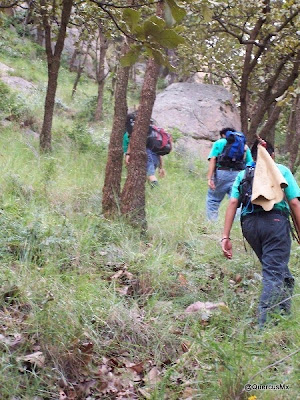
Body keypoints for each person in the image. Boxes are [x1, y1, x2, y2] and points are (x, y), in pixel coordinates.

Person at [221, 139, 300, 328]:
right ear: (272, 156)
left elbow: (233, 203)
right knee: (273, 273)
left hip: (249, 226)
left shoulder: (243, 174)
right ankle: (263, 327)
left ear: (254, 157)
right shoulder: (281, 170)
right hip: (274, 223)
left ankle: (284, 315)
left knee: (281, 273)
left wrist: (225, 236)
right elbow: (295, 203)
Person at [206, 127, 253, 221]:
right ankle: (235, 223)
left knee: (213, 199)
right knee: (236, 201)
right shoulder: (244, 146)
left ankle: (212, 223)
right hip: (239, 175)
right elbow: (250, 163)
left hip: (221, 174)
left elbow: (213, 159)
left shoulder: (219, 143)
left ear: (224, 135)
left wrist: (209, 178)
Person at [123, 113, 166, 187]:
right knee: (146, 176)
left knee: (150, 176)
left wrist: (128, 154)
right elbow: (160, 153)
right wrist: (161, 167)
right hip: (156, 158)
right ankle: (153, 194)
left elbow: (132, 140)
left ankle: (157, 190)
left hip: (146, 155)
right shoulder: (153, 135)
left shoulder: (137, 132)